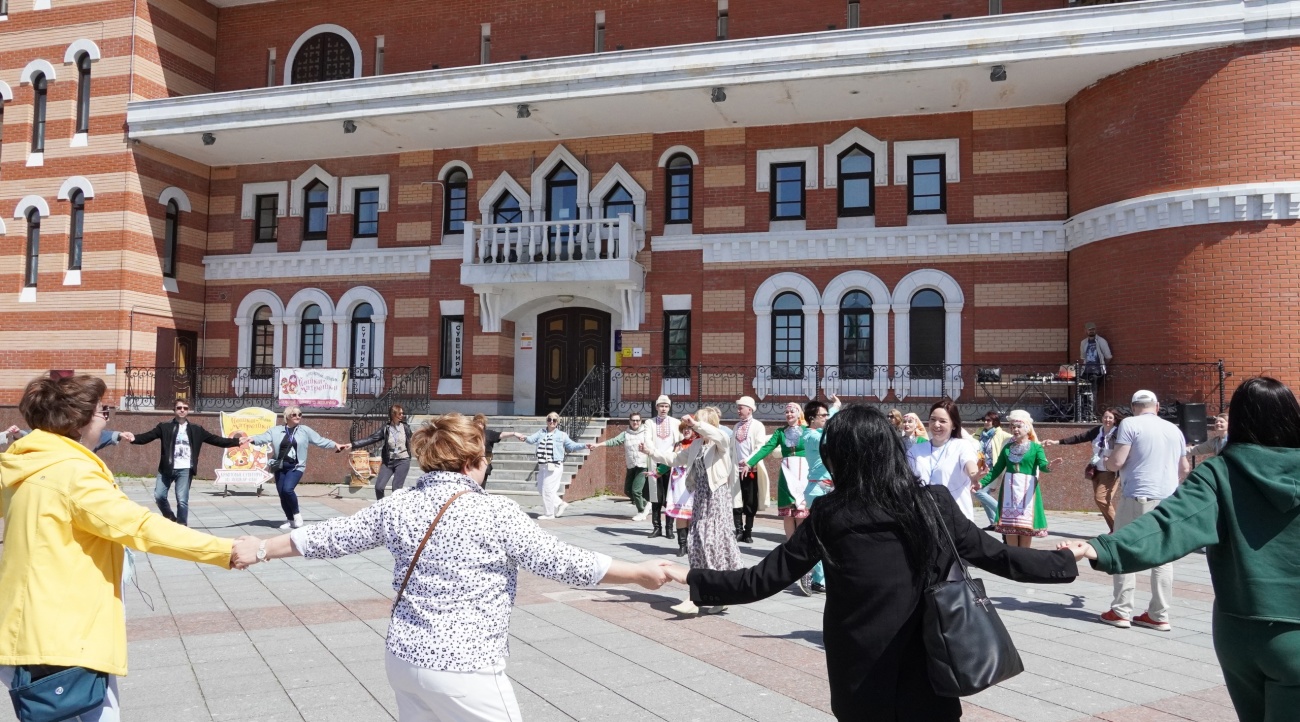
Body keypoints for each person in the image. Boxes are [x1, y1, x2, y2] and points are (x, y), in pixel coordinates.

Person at [232, 413, 673, 722]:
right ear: (471, 463)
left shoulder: (400, 503)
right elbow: (566, 563)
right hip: (467, 667)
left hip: (403, 659)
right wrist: (639, 572)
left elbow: (329, 538)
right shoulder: (495, 512)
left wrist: (262, 548)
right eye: (485, 458)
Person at [665, 405, 1079, 720]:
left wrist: (687, 576)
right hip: (933, 663)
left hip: (860, 671)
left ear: (840, 458)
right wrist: (1065, 560)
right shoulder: (931, 502)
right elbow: (997, 556)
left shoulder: (829, 513)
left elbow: (762, 580)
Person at [0, 375, 255, 720]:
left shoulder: (24, 464)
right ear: (78, 420)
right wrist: (224, 549)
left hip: (27, 630)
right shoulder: (73, 474)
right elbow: (140, 527)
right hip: (64, 639)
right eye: (103, 411)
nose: (106, 418)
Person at [1058, 377, 1300, 722]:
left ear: (1240, 421)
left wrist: (1101, 548)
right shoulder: (1205, 457)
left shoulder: (1222, 471)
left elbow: (1168, 525)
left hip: (1238, 631)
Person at [1096, 389, 1190, 631]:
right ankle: (1159, 614)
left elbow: (1117, 462)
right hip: (1168, 499)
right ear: (1157, 406)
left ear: (1133, 406)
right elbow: (1184, 468)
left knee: (1124, 551)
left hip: (1137, 496)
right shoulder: (1174, 429)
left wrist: (1104, 462)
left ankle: (1120, 610)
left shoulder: (1129, 424)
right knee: (1163, 557)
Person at [645, 407, 743, 615]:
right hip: (700, 497)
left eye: (698, 422)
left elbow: (716, 434)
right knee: (697, 543)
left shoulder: (721, 442)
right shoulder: (696, 445)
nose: (692, 425)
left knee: (711, 543)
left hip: (716, 497)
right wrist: (650, 452)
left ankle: (706, 595)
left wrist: (695, 423)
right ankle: (702, 595)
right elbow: (674, 459)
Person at [128, 399, 249, 526]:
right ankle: (170, 518)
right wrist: (134, 438)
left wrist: (236, 442)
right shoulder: (164, 427)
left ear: (188, 410)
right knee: (159, 496)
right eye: (179, 407)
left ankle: (182, 528)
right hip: (166, 468)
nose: (182, 410)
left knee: (182, 500)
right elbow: (148, 436)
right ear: (174, 410)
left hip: (185, 469)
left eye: (185, 408)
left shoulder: (196, 429)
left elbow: (215, 439)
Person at [250, 406, 351, 530]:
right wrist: (251, 439)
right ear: (287, 417)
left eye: (299, 414)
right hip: (280, 466)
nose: (298, 416)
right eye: (294, 415)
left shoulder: (304, 430)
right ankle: (290, 520)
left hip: (296, 467)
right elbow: (263, 438)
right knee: (282, 494)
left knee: (288, 489)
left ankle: (297, 515)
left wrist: (335, 444)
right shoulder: (276, 431)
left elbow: (319, 440)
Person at [977, 410, 1062, 547]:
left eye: (1018, 426)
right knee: (1010, 530)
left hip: (1027, 493)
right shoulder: (1007, 448)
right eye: (1013, 427)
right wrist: (981, 483)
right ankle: (1013, 562)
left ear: (1027, 428)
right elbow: (996, 470)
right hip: (1009, 493)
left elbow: (1043, 465)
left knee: (1025, 530)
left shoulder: (1035, 448)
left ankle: (1023, 561)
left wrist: (1050, 465)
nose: (1015, 430)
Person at [1044, 407, 1124, 531]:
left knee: (1101, 499)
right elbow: (1078, 438)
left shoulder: (1118, 433)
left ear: (1115, 420)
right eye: (1105, 417)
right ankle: (1114, 529)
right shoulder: (1098, 431)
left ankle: (1119, 530)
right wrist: (1056, 442)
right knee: (1101, 501)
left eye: (1110, 418)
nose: (1107, 420)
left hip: (1111, 471)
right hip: (1096, 470)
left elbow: (1125, 450)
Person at [907, 399, 981, 524]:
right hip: (924, 520)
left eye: (943, 421)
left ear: (954, 425)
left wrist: (974, 476)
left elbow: (969, 463)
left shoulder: (962, 446)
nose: (936, 425)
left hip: (956, 521)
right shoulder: (915, 450)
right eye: (933, 419)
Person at [745, 402, 809, 539]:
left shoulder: (807, 430)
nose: (789, 414)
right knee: (788, 512)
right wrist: (750, 462)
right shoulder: (780, 432)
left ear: (799, 414)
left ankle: (801, 543)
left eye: (792, 411)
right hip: (787, 472)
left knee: (801, 510)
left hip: (803, 471)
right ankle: (790, 545)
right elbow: (766, 448)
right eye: (787, 412)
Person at [799, 396, 842, 594]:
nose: (826, 418)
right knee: (820, 536)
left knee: (827, 535)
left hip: (824, 488)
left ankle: (819, 578)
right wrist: (835, 410)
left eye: (826, 415)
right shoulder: (813, 436)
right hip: (818, 490)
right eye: (822, 416)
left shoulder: (816, 433)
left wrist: (834, 407)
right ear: (811, 418)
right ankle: (809, 570)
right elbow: (831, 433)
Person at [520, 412, 586, 520]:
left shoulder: (562, 435)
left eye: (554, 420)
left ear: (557, 423)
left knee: (547, 489)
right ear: (546, 421)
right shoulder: (541, 432)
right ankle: (560, 504)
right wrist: (524, 437)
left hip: (554, 465)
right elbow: (531, 439)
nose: (551, 422)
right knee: (541, 489)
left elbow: (572, 445)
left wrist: (585, 445)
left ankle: (549, 514)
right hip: (542, 466)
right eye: (549, 419)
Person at [589, 412, 653, 521]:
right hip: (631, 465)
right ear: (630, 421)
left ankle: (641, 511)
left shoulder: (646, 433)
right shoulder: (625, 434)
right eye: (633, 420)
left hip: (643, 465)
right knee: (627, 490)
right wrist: (598, 445)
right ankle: (646, 503)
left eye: (637, 420)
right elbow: (613, 441)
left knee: (636, 491)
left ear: (641, 421)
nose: (635, 422)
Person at [352, 405, 415, 500]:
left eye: (402, 413)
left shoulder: (405, 427)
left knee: (396, 489)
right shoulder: (386, 428)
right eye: (400, 413)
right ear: (393, 414)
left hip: (403, 460)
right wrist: (352, 444)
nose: (402, 415)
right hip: (388, 461)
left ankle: (395, 510)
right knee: (379, 487)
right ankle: (381, 506)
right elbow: (371, 438)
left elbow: (414, 439)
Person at [731, 396, 769, 543]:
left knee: (750, 501)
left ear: (750, 409)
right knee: (736, 500)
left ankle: (748, 532)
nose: (738, 410)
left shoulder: (758, 426)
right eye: (738, 407)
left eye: (741, 407)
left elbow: (760, 447)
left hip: (752, 470)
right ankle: (738, 530)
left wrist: (749, 461)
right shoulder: (735, 426)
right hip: (736, 471)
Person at [645, 395, 682, 539]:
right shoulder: (650, 422)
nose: (663, 409)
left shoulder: (675, 422)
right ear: (656, 408)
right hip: (655, 460)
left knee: (670, 496)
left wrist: (671, 456)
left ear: (669, 408)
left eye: (666, 406)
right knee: (656, 496)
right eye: (661, 406)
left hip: (671, 463)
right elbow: (647, 440)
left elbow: (679, 442)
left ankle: (669, 528)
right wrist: (656, 454)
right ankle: (656, 527)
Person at [973, 411, 1013, 529]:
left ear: (995, 422)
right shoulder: (980, 432)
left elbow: (1017, 437)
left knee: (978, 492)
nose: (986, 422)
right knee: (984, 495)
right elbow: (968, 439)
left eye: (989, 420)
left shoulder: (1000, 434)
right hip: (980, 468)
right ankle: (994, 523)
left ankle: (1001, 511)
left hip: (993, 469)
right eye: (984, 420)